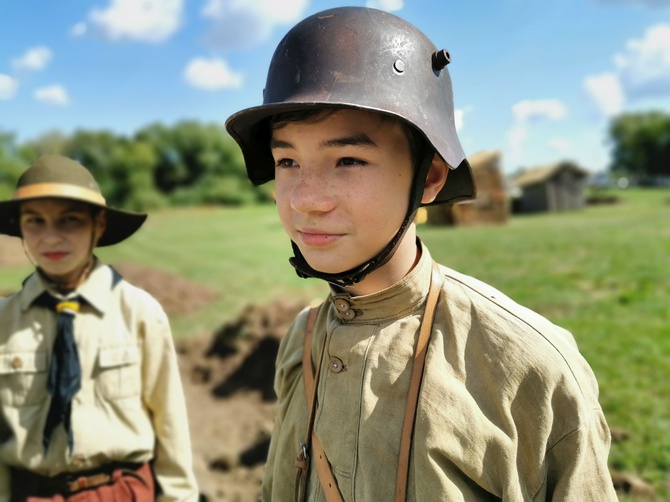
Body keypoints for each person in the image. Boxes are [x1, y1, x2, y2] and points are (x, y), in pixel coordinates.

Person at [225, 6, 618, 502]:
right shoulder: (301, 342)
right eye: (286, 160)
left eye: (348, 159)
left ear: (429, 176)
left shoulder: (531, 369)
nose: (304, 198)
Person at [0, 154, 199, 501]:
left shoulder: (139, 312)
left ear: (100, 224)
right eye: (35, 221)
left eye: (70, 221)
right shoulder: (3, 321)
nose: (51, 238)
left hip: (120, 491)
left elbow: (170, 425)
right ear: (20, 227)